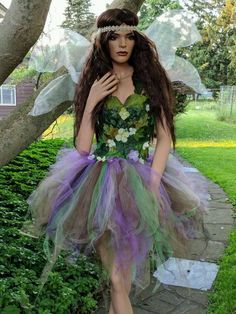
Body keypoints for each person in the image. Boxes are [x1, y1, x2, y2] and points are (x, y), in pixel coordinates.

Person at [22, 8, 208, 314]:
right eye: (114, 37)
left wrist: (153, 181)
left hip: (142, 186)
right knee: (118, 280)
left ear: (137, 41)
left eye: (129, 36)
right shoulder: (94, 82)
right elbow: (82, 148)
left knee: (120, 279)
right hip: (98, 188)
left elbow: (163, 138)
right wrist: (92, 98)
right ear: (103, 42)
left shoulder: (151, 80)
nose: (122, 43)